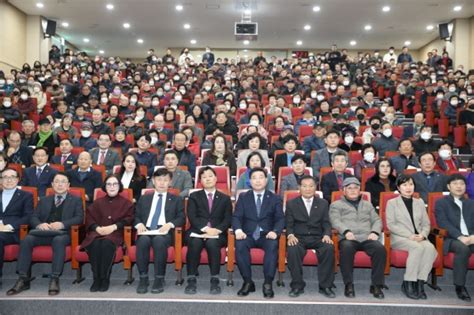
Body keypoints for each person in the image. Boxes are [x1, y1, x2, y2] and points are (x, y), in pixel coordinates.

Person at [7, 172, 83, 296]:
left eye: (63, 181)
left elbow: (79, 218)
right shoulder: (44, 200)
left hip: (62, 234)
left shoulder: (75, 200)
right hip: (42, 233)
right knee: (27, 239)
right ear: (52, 185)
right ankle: (23, 278)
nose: (60, 184)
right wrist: (39, 224)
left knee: (58, 241)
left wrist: (62, 224)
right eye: (57, 181)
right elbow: (33, 217)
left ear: (68, 185)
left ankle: (54, 278)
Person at [329, 177, 386, 299]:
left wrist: (375, 232)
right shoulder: (336, 205)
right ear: (343, 190)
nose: (353, 190)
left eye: (356, 188)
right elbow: (335, 221)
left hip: (367, 237)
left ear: (360, 190)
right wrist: (346, 231)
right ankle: (348, 284)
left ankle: (376, 285)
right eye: (349, 188)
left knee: (380, 249)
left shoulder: (367, 204)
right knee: (347, 248)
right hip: (348, 237)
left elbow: (377, 220)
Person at [232, 167, 285, 298]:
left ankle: (268, 282)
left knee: (273, 246)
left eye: (261, 177)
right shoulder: (243, 197)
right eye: (254, 178)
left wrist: (275, 231)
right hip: (247, 234)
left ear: (266, 180)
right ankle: (247, 281)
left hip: (267, 234)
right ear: (249, 181)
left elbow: (280, 219)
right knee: (240, 245)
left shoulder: (275, 198)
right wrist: (238, 230)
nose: (258, 181)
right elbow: (236, 217)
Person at [386, 174, 437, 300]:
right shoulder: (392, 203)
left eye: (411, 184)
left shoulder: (419, 202)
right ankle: (408, 282)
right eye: (404, 185)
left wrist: (423, 235)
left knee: (431, 249)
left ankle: (420, 282)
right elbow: (391, 225)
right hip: (399, 237)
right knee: (417, 248)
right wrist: (410, 235)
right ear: (398, 187)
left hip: (419, 237)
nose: (408, 187)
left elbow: (426, 223)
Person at [134, 168, 185, 294]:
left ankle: (159, 278)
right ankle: (143, 278)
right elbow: (135, 215)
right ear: (153, 181)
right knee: (143, 241)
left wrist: (170, 224)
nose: (162, 183)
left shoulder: (176, 199)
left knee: (158, 241)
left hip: (164, 232)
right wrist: (139, 224)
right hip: (146, 230)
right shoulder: (145, 197)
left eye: (165, 180)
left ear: (170, 182)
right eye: (159, 180)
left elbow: (181, 218)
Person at [80, 174, 134, 292]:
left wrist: (114, 227)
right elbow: (89, 218)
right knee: (94, 244)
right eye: (109, 184)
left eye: (115, 184)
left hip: (116, 233)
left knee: (106, 244)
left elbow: (129, 219)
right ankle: (96, 278)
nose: (112, 186)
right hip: (97, 232)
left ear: (119, 186)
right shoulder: (97, 202)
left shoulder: (127, 203)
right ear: (105, 186)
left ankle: (104, 278)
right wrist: (97, 228)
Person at [184, 167, 232, 295]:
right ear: (200, 181)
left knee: (212, 244)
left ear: (216, 178)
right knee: (195, 243)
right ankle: (191, 278)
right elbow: (192, 216)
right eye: (204, 177)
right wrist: (205, 229)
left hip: (218, 233)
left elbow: (228, 219)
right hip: (197, 230)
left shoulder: (225, 198)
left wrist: (217, 230)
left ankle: (215, 279)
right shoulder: (194, 196)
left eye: (210, 176)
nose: (208, 179)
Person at [285, 175, 335, 298]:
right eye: (304, 186)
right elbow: (289, 224)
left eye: (311, 186)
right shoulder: (291, 203)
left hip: (318, 237)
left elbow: (326, 223)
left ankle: (326, 286)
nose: (308, 189)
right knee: (293, 249)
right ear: (299, 188)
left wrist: (327, 235)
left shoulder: (323, 203)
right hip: (299, 237)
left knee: (328, 248)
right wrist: (290, 235)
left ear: (316, 188)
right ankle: (297, 285)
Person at [435, 174, 474, 302]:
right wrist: (460, 236)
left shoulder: (471, 203)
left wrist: (472, 237)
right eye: (455, 184)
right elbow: (443, 223)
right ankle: (460, 286)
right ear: (448, 186)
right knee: (463, 249)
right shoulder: (441, 202)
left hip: (472, 238)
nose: (459, 186)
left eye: (462, 184)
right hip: (452, 239)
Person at [0, 168, 34, 283]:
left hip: (14, 232)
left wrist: (8, 226)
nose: (9, 180)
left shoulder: (26, 196)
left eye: (12, 177)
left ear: (18, 180)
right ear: (1, 180)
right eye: (5, 177)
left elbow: (28, 217)